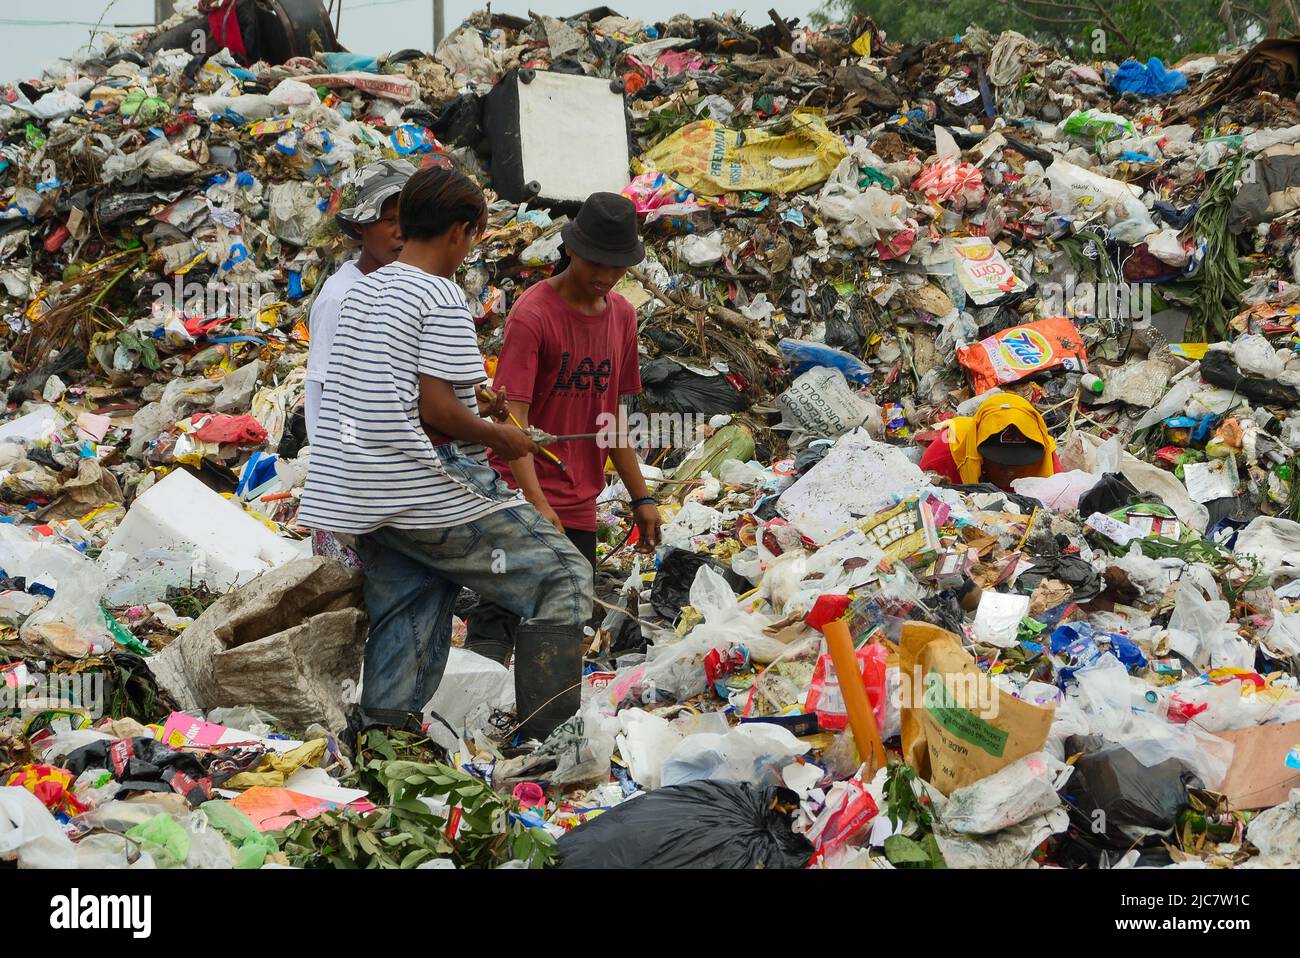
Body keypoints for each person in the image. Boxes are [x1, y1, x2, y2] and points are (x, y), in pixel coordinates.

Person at [298, 163, 593, 740]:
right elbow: (436, 412)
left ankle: (385, 747)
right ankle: (545, 743)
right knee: (564, 578)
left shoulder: (360, 290)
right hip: (427, 489)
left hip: (365, 495)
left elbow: (388, 386)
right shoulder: (442, 295)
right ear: (461, 231)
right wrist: (501, 435)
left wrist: (472, 401)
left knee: (410, 610)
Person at [467, 192, 662, 666]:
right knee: (500, 612)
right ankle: (472, 723)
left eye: (617, 267)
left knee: (564, 617)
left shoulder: (622, 317)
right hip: (519, 494)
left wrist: (642, 498)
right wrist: (537, 505)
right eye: (597, 262)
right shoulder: (534, 315)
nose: (607, 276)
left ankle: (535, 732)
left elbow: (612, 418)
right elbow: (512, 422)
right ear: (571, 249)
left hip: (578, 501)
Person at [303, 160, 413, 569]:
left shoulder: (405, 285)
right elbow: (323, 393)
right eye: (388, 220)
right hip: (350, 484)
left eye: (408, 220)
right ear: (363, 228)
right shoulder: (340, 296)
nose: (400, 232)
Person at [919, 392, 1062, 491]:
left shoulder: (1044, 456)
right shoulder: (943, 459)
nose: (1010, 470)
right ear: (978, 451)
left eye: (1018, 462)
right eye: (1000, 463)